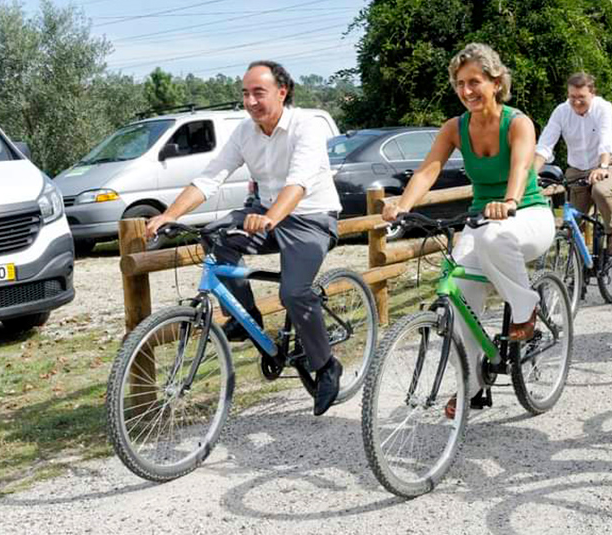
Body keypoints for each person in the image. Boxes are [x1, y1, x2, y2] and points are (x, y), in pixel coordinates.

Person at [144, 61, 345, 416]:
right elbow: (210, 177)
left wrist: (270, 217)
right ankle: (244, 316)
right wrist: (170, 214)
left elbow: (297, 183)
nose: (250, 101)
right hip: (264, 215)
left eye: (259, 92)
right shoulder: (244, 132)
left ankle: (326, 364)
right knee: (215, 236)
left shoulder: (307, 127)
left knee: (294, 292)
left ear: (282, 92)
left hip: (310, 217)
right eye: (245, 93)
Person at [381, 43, 554, 418]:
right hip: (481, 220)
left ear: (495, 81)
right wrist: (402, 206)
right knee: (458, 290)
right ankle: (472, 384)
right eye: (460, 84)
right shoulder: (454, 128)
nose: (467, 91)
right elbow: (428, 170)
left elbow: (522, 167)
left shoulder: (518, 122)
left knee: (494, 237)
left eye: (474, 81)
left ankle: (526, 307)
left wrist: (508, 201)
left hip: (527, 215)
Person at [532, 72, 612, 240]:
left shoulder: (603, 107)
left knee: (601, 191)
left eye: (581, 97)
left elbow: (606, 140)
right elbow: (545, 145)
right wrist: (532, 173)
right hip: (577, 169)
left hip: (603, 164)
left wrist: (602, 167)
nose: (576, 102)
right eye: (572, 97)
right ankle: (578, 262)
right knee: (574, 222)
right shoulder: (561, 112)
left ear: (592, 94)